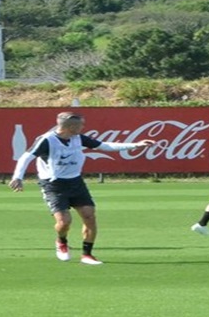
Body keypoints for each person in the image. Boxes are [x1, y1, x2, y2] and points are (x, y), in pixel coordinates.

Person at [9, 112, 156, 265]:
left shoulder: (78, 138)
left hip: (75, 182)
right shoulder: (46, 140)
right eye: (81, 124)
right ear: (71, 126)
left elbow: (104, 146)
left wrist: (135, 145)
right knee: (64, 222)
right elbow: (26, 157)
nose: (83, 127)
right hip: (53, 185)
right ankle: (61, 241)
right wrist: (17, 177)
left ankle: (87, 255)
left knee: (89, 215)